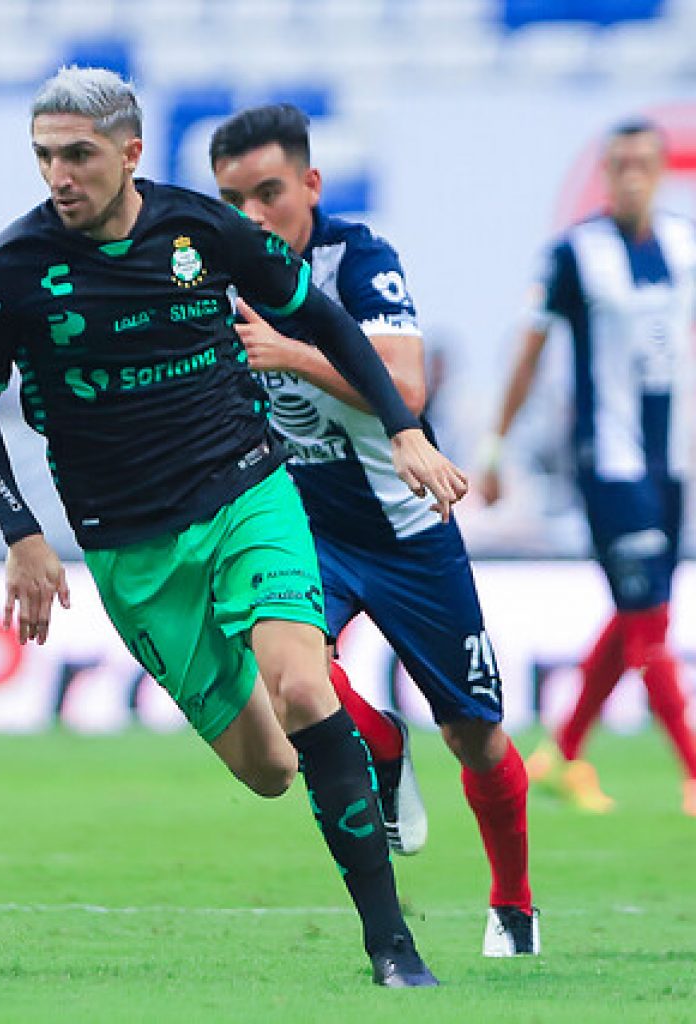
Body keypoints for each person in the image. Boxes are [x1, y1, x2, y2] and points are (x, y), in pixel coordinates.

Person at [0, 67, 470, 987]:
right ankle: (371, 739)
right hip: (132, 547)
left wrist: (407, 430)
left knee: (304, 692)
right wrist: (21, 534)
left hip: (246, 494)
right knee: (270, 768)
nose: (59, 176)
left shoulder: (202, 230)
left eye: (79, 155)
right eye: (45, 157)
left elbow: (327, 321)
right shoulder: (10, 270)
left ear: (130, 153)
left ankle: (393, 947)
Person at [208, 103, 538, 957]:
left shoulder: (359, 259)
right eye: (231, 198)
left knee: (474, 731)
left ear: (311, 186)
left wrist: (290, 353)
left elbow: (404, 385)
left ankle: (513, 904)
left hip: (406, 529)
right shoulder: (211, 270)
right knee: (282, 676)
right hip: (302, 524)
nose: (250, 217)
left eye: (269, 193)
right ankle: (380, 743)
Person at [480, 117, 696, 819]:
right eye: (619, 163)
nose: (631, 174)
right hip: (608, 463)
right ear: (604, 174)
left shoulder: (685, 246)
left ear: (661, 170)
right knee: (650, 620)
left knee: (635, 612)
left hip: (672, 465)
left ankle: (563, 752)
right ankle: (693, 770)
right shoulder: (575, 255)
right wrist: (493, 448)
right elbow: (530, 350)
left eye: (643, 162)